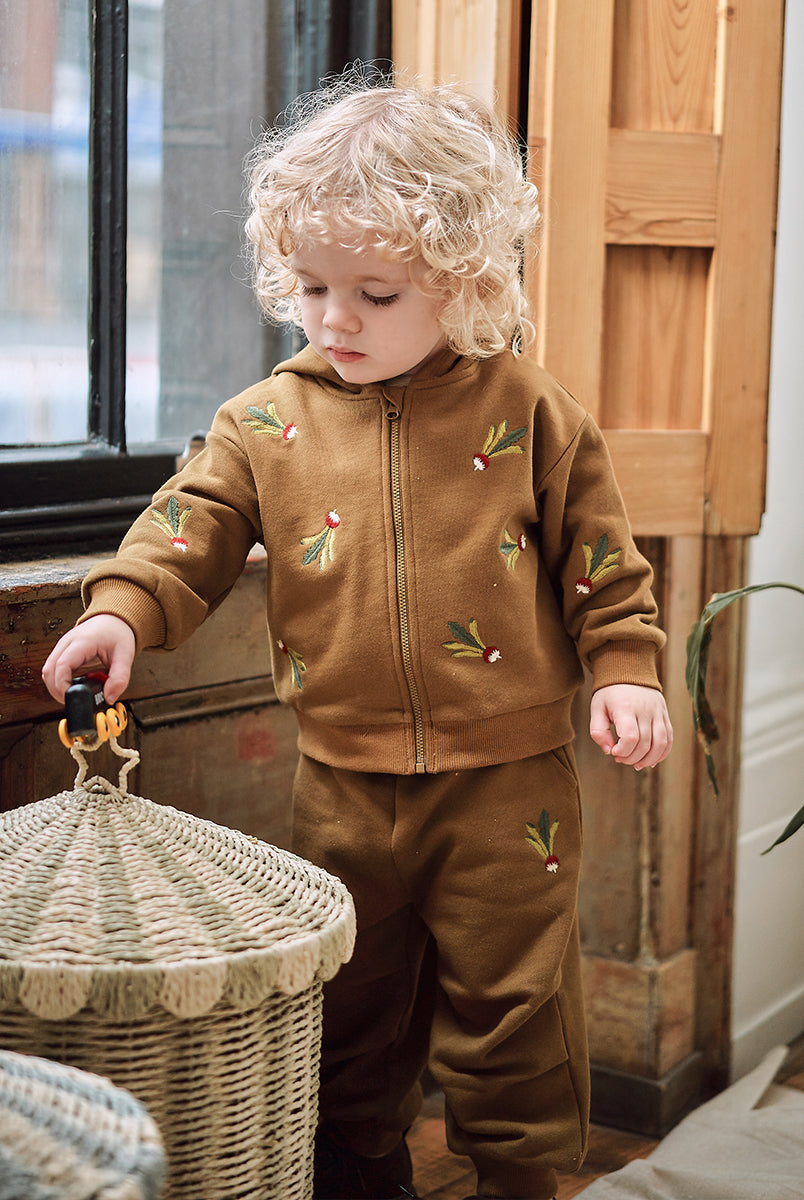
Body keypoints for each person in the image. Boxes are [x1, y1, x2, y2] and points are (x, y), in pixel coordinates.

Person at [42, 72, 673, 1200]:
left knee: (515, 1012)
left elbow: (604, 565)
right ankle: (355, 1172)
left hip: (508, 785)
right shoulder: (263, 423)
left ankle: (521, 1180)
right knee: (347, 1006)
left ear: (463, 280)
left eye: (376, 294)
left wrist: (627, 670)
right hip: (339, 784)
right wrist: (117, 611)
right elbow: (184, 530)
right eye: (313, 286)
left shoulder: (530, 412)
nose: (336, 319)